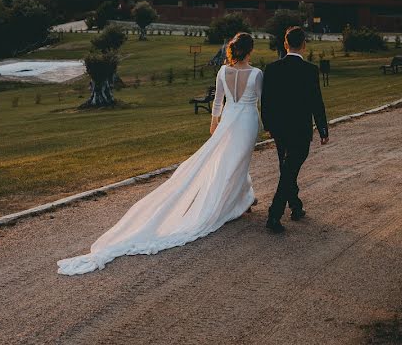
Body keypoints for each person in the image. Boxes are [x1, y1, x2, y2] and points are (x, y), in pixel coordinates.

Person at [57, 33, 261, 275]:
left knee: (227, 161)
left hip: (228, 119)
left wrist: (214, 121)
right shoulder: (257, 74)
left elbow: (218, 101)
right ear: (250, 51)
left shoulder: (222, 72)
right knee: (238, 161)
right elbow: (259, 100)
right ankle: (233, 202)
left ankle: (243, 196)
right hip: (247, 121)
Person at [260, 26, 329, 233]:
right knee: (289, 170)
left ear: (285, 44)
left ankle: (296, 206)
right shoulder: (310, 70)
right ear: (304, 45)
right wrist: (323, 128)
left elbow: (267, 102)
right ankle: (274, 214)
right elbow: (317, 102)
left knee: (287, 169)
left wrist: (269, 126)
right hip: (300, 129)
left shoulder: (272, 69)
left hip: (280, 129)